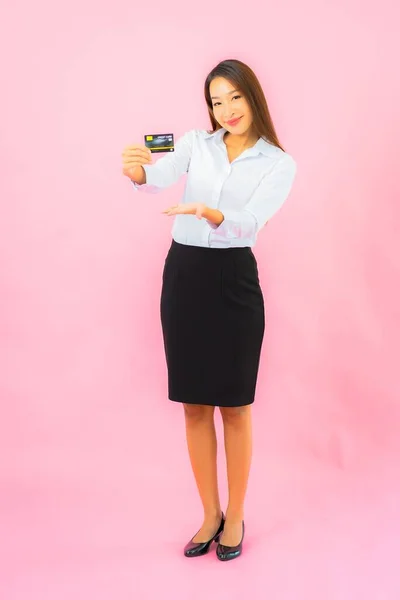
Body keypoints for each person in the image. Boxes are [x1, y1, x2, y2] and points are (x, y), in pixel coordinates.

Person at [121, 59, 297, 562]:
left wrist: (210, 212)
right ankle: (209, 513)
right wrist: (136, 171)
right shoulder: (196, 144)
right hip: (185, 278)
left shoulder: (278, 163)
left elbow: (250, 222)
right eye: (216, 101)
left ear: (253, 96)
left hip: (234, 281)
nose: (226, 110)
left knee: (235, 406)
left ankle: (236, 515)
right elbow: (158, 176)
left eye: (234, 97)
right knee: (195, 405)